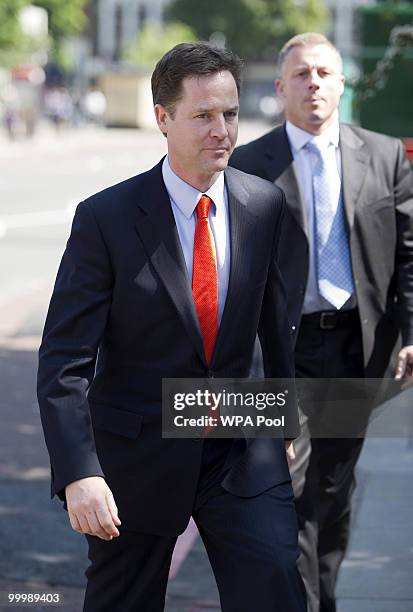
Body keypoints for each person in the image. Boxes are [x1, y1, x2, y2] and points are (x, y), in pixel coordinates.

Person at [37, 42, 306, 612]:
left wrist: (284, 423)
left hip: (240, 443)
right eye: (203, 115)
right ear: (163, 118)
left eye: (230, 114)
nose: (222, 130)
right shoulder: (106, 219)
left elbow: (273, 326)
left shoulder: (264, 205)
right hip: (137, 454)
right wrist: (79, 472)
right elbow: (65, 360)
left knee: (276, 583)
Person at [230, 32, 413, 612]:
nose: (314, 83)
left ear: (341, 83)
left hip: (357, 351)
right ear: (281, 87)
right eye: (302, 74)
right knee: (290, 493)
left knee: (331, 494)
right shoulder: (249, 163)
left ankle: (322, 597)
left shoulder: (384, 156)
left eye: (324, 73)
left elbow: (409, 253)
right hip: (283, 356)